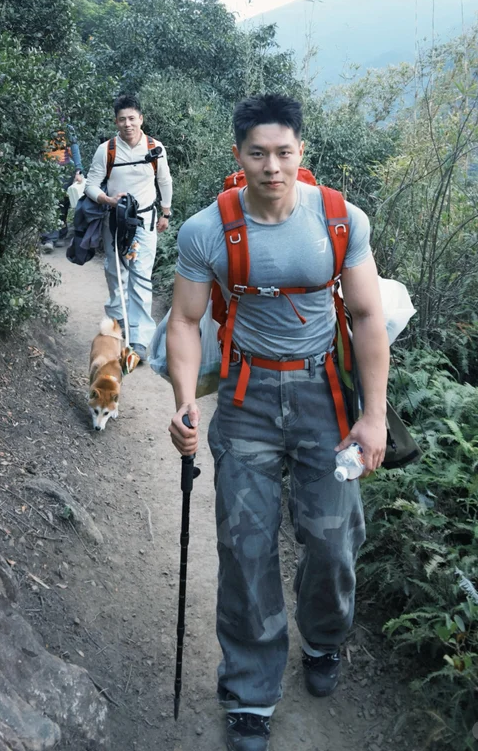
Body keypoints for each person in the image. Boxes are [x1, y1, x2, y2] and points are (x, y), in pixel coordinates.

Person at [166, 94, 389, 751]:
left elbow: (368, 317)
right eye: (258, 153)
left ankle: (323, 637)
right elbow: (184, 320)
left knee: (334, 537)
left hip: (328, 397)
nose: (272, 165)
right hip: (245, 396)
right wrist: (183, 399)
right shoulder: (207, 230)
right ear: (238, 155)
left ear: (302, 153)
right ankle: (250, 689)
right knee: (245, 545)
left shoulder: (341, 220)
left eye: (284, 152)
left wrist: (373, 417)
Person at [85, 96, 173, 366]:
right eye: (122, 119)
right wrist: (107, 200)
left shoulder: (155, 148)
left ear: (141, 119)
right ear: (116, 122)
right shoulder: (107, 150)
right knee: (115, 272)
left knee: (141, 277)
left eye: (132, 118)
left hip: (145, 221)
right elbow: (91, 185)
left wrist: (166, 212)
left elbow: (164, 180)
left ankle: (139, 340)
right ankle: (117, 317)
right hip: (115, 220)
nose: (127, 124)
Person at [41, 126, 84, 253]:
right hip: (46, 169)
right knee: (50, 203)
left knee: (63, 204)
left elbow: (74, 149)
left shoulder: (67, 128)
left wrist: (78, 169)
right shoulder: (43, 125)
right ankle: (49, 238)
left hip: (64, 170)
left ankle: (60, 233)